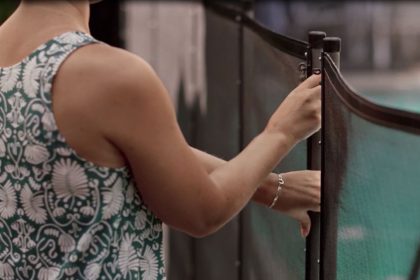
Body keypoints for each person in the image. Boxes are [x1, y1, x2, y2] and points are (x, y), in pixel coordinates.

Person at [0, 0, 321, 279]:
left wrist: (270, 188)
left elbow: (129, 149)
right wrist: (281, 132)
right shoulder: (111, 76)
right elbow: (200, 212)